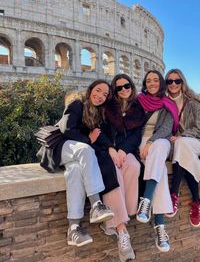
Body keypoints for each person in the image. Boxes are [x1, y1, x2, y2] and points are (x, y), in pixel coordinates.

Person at [38, 80, 115, 247]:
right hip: (59, 148)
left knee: (74, 171)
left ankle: (73, 228)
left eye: (105, 94)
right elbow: (67, 130)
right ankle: (96, 204)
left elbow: (100, 136)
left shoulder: (96, 113)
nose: (100, 96)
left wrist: (111, 148)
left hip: (73, 154)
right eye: (98, 90)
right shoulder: (77, 104)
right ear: (90, 90)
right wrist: (88, 139)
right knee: (86, 150)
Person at [165, 69, 200, 227]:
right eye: (170, 81)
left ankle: (173, 194)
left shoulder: (194, 101)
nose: (173, 84)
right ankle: (196, 201)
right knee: (182, 149)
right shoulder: (165, 102)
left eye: (177, 81)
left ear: (182, 82)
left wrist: (183, 136)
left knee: (182, 144)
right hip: (179, 145)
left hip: (199, 141)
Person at [98, 74, 145, 262]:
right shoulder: (107, 108)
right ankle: (121, 228)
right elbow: (99, 130)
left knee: (133, 166)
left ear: (131, 86)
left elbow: (136, 136)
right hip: (107, 150)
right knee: (114, 171)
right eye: (119, 88)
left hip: (127, 151)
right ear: (115, 91)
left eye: (126, 86)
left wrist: (124, 150)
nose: (124, 89)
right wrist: (111, 148)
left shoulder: (137, 108)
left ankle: (122, 214)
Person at [136, 70, 179, 252]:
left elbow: (167, 129)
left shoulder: (167, 103)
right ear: (145, 84)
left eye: (155, 80)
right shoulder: (137, 101)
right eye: (148, 81)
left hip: (160, 141)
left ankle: (146, 200)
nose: (152, 83)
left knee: (160, 147)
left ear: (161, 83)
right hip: (139, 143)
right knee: (160, 169)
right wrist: (144, 144)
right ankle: (160, 226)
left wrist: (151, 141)